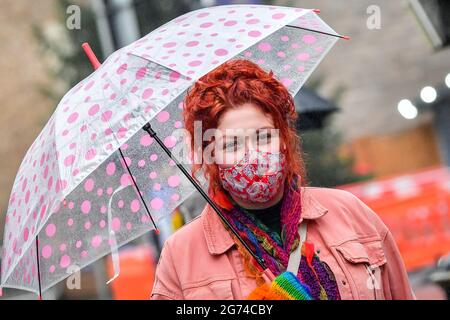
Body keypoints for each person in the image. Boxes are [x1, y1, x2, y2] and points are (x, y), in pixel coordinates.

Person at [150, 59, 415, 300]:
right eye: (231, 145)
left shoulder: (350, 213)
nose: (252, 155)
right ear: (211, 156)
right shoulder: (182, 254)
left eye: (264, 137)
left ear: (284, 140)